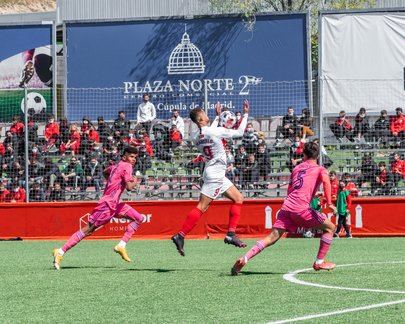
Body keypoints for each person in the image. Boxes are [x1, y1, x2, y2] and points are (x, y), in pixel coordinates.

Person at [231, 141, 337, 275]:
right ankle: (319, 262)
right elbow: (327, 183)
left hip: (287, 207)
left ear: (303, 154)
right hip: (301, 208)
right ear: (318, 155)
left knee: (271, 238)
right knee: (330, 228)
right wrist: (330, 203)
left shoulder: (297, 169)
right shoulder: (320, 169)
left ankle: (245, 258)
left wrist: (312, 194)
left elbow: (292, 190)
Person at [171, 101, 250, 256]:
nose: (206, 115)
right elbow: (240, 132)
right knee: (202, 207)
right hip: (215, 175)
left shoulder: (195, 136)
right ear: (200, 119)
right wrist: (246, 113)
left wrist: (217, 116)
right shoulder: (215, 132)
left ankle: (231, 234)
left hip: (215, 173)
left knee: (238, 198)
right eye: (204, 114)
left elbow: (207, 131)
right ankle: (180, 235)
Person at [52, 146, 143, 270]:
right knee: (88, 230)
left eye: (135, 157)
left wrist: (113, 184)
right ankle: (61, 251)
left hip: (114, 203)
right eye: (131, 156)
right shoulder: (127, 166)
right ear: (124, 156)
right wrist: (136, 180)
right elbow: (129, 187)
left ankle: (121, 245)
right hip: (107, 205)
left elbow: (106, 172)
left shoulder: (115, 166)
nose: (133, 160)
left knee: (138, 218)